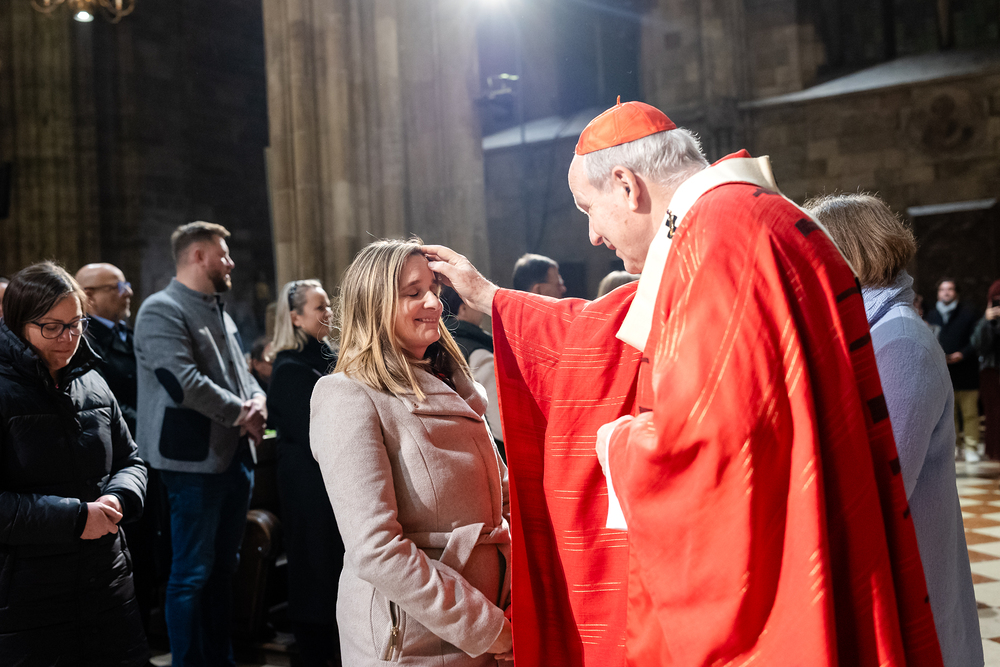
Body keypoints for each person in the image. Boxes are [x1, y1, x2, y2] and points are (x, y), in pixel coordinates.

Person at [425, 100, 942, 666]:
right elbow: (601, 329)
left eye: (588, 209)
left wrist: (613, 441)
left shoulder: (717, 239)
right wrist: (492, 298)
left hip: (768, 581)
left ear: (627, 186)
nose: (592, 236)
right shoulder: (730, 221)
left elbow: (707, 447)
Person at [309, 240, 512, 665]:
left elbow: (502, 498)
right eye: (413, 292)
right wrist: (486, 628)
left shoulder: (454, 386)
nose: (434, 303)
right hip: (416, 639)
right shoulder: (348, 395)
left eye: (434, 290)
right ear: (375, 303)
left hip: (493, 622)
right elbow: (376, 548)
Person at [805, 193, 982, 667]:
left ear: (846, 254)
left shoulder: (899, 340)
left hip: (911, 571)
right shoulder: (870, 330)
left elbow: (884, 480)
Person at [0, 261, 148, 665]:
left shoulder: (92, 381)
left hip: (108, 581)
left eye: (76, 323)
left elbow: (131, 460)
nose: (68, 338)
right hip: (28, 596)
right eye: (52, 327)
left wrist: (119, 497)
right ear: (17, 323)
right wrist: (76, 518)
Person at [134, 221, 266, 667]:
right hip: (192, 462)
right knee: (191, 574)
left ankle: (219, 660)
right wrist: (243, 413)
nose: (230, 262)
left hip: (235, 457)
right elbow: (183, 383)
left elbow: (243, 372)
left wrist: (259, 399)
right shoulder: (161, 309)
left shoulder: (219, 311)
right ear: (198, 256)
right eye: (223, 254)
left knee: (224, 569)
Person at [76, 262, 168, 641]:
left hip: (142, 460)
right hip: (114, 465)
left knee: (148, 558)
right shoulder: (85, 341)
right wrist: (148, 423)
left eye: (126, 283)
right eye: (117, 287)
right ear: (89, 297)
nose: (128, 291)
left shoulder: (127, 335)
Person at [266, 279, 343, 666]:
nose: (328, 313)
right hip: (308, 486)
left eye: (328, 305)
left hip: (328, 480)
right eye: (320, 307)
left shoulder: (326, 356)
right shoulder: (290, 369)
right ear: (295, 318)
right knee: (315, 567)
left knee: (332, 565)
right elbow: (314, 431)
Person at [440, 285, 504, 456]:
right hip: (487, 454)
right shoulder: (478, 352)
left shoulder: (435, 347)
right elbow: (500, 427)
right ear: (463, 308)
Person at [926, 278, 982, 461]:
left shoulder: (968, 313)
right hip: (943, 373)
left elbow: (976, 339)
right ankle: (954, 446)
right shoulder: (931, 315)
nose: (946, 292)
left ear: (956, 292)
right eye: (942, 289)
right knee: (948, 415)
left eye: (950, 289)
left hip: (966, 372)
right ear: (938, 293)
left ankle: (972, 447)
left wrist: (963, 354)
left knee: (970, 413)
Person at [972, 280, 1000, 461]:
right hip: (990, 370)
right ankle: (994, 451)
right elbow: (978, 345)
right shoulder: (985, 319)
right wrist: (986, 321)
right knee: (993, 413)